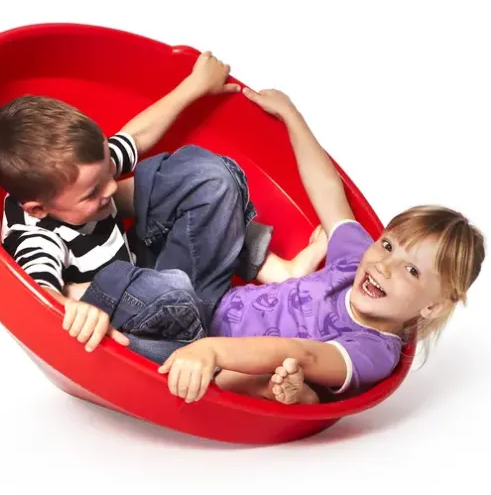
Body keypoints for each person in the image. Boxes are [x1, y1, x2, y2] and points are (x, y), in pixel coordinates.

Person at [0, 51, 328, 365]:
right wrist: (71, 304)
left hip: (161, 279)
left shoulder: (81, 171)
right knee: (153, 292)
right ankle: (214, 352)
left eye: (108, 171)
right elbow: (37, 292)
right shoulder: (34, 234)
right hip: (139, 323)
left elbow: (135, 137)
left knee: (209, 178)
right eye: (93, 192)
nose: (110, 187)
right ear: (38, 209)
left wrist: (195, 85)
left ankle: (258, 286)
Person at [156, 87, 486, 406]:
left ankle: (287, 393)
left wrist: (212, 350)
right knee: (213, 183)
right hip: (213, 295)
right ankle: (131, 209)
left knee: (252, 374)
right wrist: (291, 115)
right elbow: (327, 190)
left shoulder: (373, 351)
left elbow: (303, 354)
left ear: (433, 306)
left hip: (206, 353)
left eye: (411, 270)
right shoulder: (357, 261)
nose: (384, 265)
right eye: (387, 245)